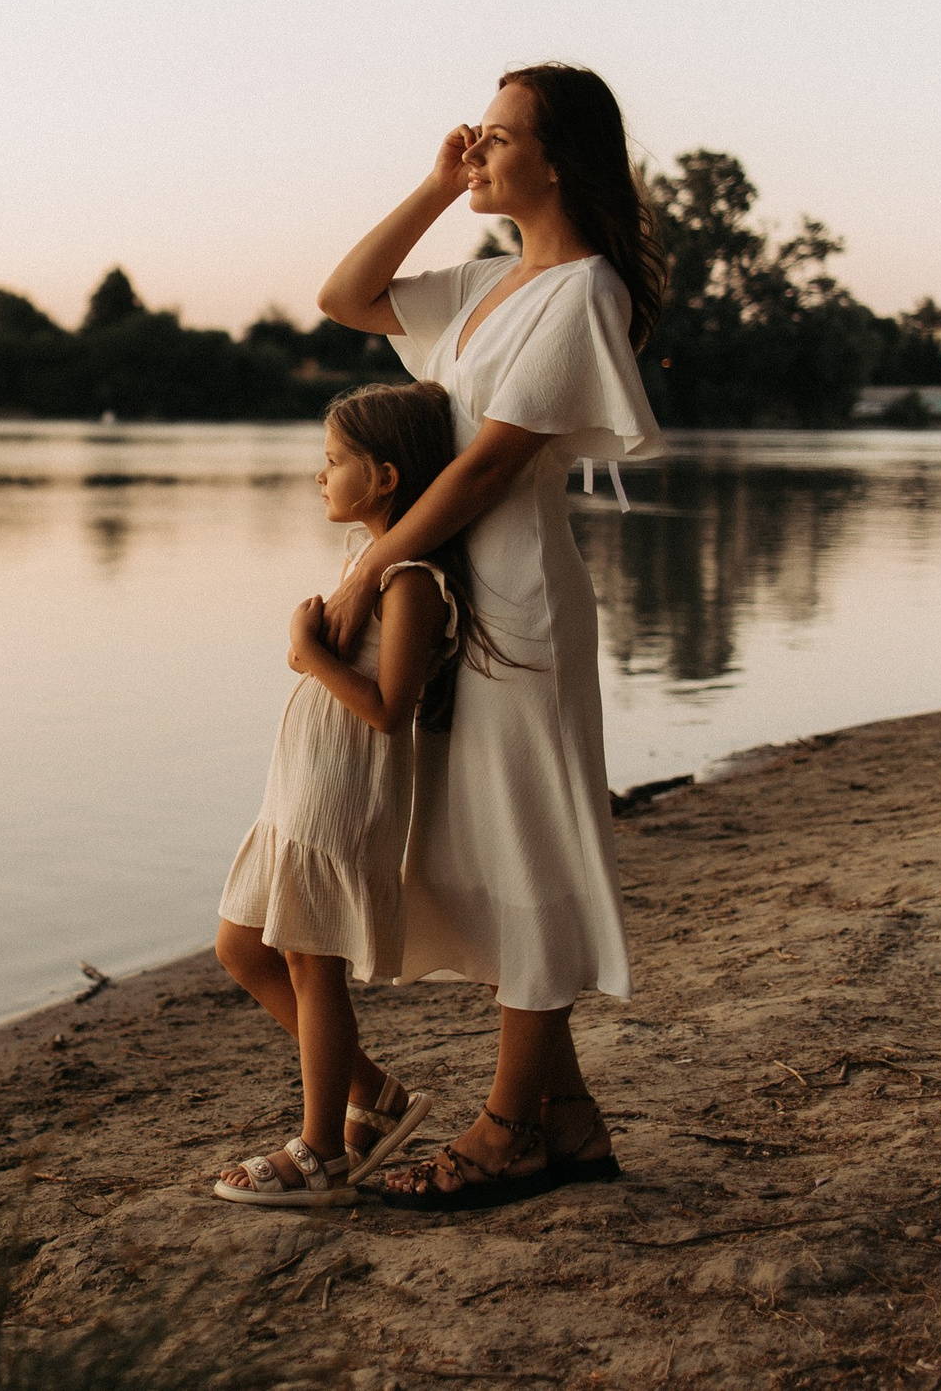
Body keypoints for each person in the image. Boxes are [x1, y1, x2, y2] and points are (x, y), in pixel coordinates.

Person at [313, 62, 668, 1210]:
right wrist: (431, 182)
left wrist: (372, 563)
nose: (477, 151)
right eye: (473, 135)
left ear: (555, 159)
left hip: (521, 610)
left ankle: (509, 1124)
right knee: (489, 846)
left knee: (529, 850)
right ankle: (564, 1119)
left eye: (497, 137)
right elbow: (344, 295)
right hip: (463, 605)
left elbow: (489, 461)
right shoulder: (487, 285)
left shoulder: (584, 293)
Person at [210, 381, 510, 1206]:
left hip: (345, 793)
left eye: (333, 460)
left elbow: (388, 708)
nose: (320, 475)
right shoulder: (364, 564)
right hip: (300, 788)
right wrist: (312, 649)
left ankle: (321, 1152)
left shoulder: (409, 577)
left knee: (312, 962)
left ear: (383, 476)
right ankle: (374, 1098)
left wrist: (310, 653)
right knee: (242, 947)